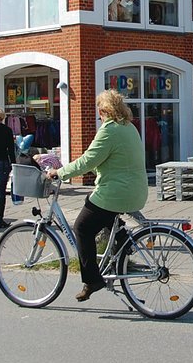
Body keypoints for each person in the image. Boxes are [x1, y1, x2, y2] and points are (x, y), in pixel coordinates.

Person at [46, 89, 147, 302]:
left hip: (117, 192)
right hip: (134, 190)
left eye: (99, 113)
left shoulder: (109, 130)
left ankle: (92, 279)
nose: (99, 117)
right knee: (93, 206)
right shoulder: (129, 127)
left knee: (82, 227)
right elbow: (112, 159)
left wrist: (60, 172)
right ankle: (122, 243)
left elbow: (87, 160)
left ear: (104, 111)